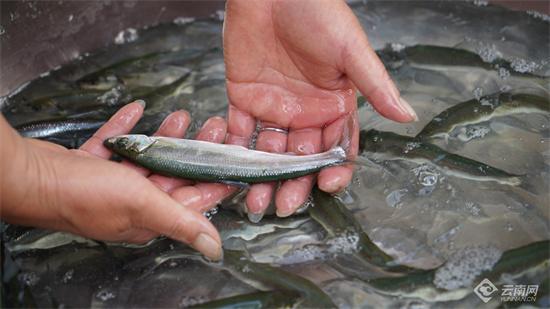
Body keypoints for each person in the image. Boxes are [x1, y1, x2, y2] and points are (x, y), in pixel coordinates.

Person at [0, 0, 416, 261]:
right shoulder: (152, 148)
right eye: (128, 145)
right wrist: (41, 186)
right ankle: (330, 158)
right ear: (142, 147)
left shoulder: (148, 149)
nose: (130, 142)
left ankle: (330, 158)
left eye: (127, 143)